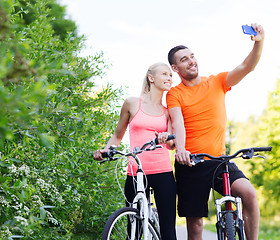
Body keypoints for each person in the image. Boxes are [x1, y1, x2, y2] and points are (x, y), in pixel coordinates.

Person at [166, 23, 265, 240]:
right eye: (184, 59)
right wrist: (181, 149)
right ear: (175, 68)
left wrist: (259, 43)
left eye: (192, 56)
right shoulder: (174, 94)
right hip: (190, 163)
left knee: (248, 193)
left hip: (220, 161)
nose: (191, 61)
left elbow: (247, 66)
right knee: (195, 226)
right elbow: (178, 124)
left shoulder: (217, 82)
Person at [94, 62, 177, 240]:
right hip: (135, 172)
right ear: (151, 77)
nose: (169, 78)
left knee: (168, 231)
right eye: (165, 74)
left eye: (170, 75)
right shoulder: (131, 103)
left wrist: (167, 137)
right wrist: (105, 150)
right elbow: (117, 135)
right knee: (134, 230)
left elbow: (172, 145)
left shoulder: (168, 111)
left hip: (163, 172)